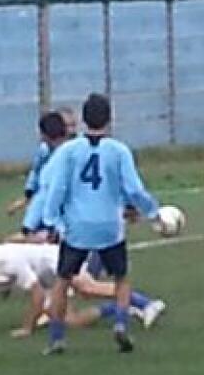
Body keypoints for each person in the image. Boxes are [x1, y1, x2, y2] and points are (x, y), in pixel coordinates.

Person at [40, 93, 161, 355]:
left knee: (63, 281)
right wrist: (153, 212)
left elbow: (57, 187)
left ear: (83, 119)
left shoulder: (69, 151)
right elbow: (134, 188)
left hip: (77, 228)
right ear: (109, 119)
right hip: (109, 226)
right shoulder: (118, 150)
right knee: (121, 278)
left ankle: (57, 338)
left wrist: (52, 221)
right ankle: (120, 324)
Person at [0, 241, 167, 339]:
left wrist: (27, 328)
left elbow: (36, 295)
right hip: (47, 280)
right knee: (71, 321)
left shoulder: (9, 262)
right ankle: (123, 310)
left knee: (86, 288)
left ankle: (146, 303)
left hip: (56, 260)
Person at [6, 106, 77, 217]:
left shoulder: (79, 148)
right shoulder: (45, 151)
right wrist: (27, 197)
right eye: (68, 126)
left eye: (74, 125)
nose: (71, 130)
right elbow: (36, 173)